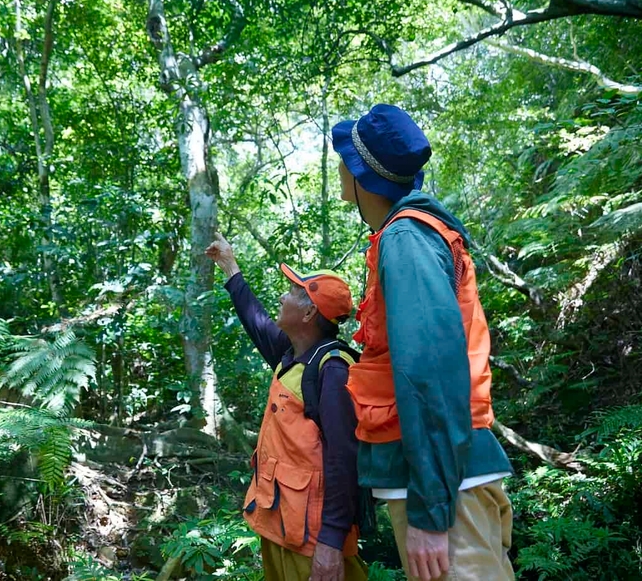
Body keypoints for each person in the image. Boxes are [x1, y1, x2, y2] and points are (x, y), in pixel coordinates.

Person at [332, 104, 515, 581]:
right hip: (446, 479)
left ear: (360, 174)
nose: (339, 166)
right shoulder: (407, 235)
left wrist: (432, 512)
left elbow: (429, 371)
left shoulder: (407, 239)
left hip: (446, 490)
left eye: (345, 157)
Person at [205, 232, 367, 581]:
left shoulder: (333, 371)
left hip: (313, 540)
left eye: (293, 291)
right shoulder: (291, 355)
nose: (282, 296)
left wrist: (331, 542)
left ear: (309, 312)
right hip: (280, 522)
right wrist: (230, 267)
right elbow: (256, 321)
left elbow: (344, 459)